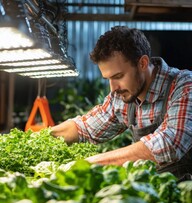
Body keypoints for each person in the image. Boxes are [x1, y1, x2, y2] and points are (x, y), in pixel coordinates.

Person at [51, 26, 192, 181]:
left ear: (143, 63)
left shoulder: (184, 86)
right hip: (151, 191)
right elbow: (85, 128)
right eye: (108, 79)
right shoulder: (122, 95)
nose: (113, 88)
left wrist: (88, 163)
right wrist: (40, 137)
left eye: (118, 76)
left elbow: (170, 143)